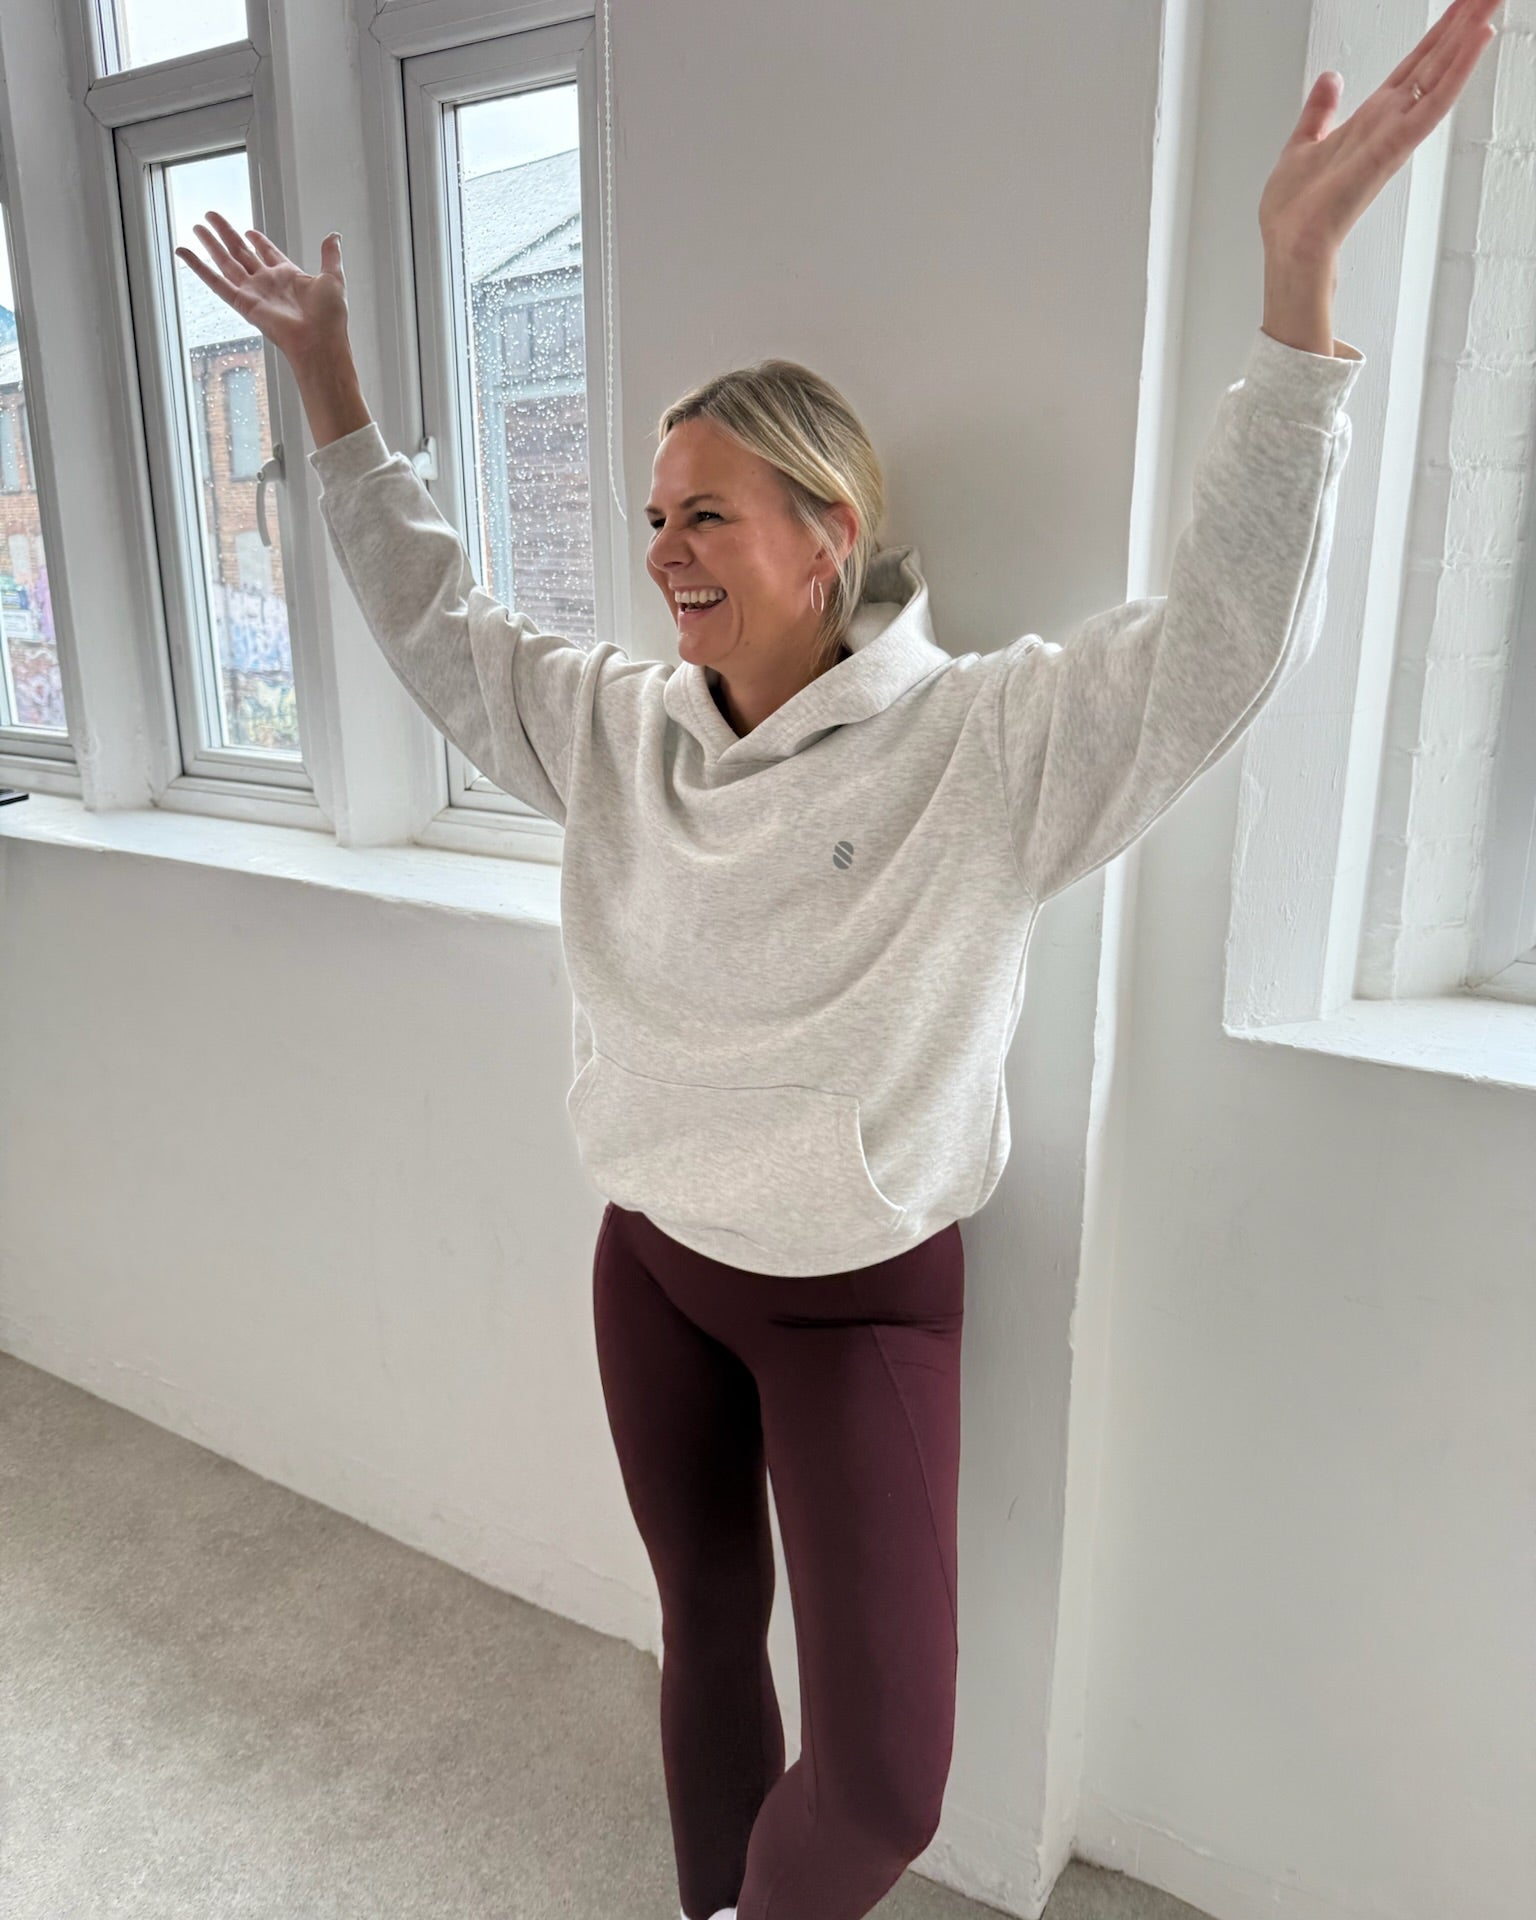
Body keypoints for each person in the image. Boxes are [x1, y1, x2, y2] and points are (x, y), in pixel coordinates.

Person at [176, 7, 1500, 1914]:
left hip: (858, 1304)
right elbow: (430, 615)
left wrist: (1297, 299)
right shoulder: (617, 728)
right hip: (653, 1264)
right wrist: (330, 396)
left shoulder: (987, 748)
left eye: (704, 512)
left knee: (880, 1789)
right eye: (652, 518)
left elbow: (1219, 643)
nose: (663, 555)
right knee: (707, 1636)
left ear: (830, 535)